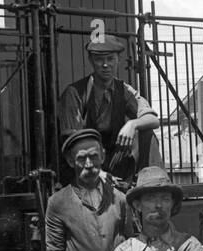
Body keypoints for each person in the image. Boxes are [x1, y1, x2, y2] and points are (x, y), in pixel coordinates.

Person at [57, 33, 160, 180]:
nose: (106, 65)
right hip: (83, 167)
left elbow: (153, 120)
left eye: (110, 59)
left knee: (144, 133)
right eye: (99, 59)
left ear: (118, 60)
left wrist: (133, 124)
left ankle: (154, 184)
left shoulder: (123, 89)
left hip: (112, 161)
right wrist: (99, 173)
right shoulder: (75, 93)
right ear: (91, 61)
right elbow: (74, 142)